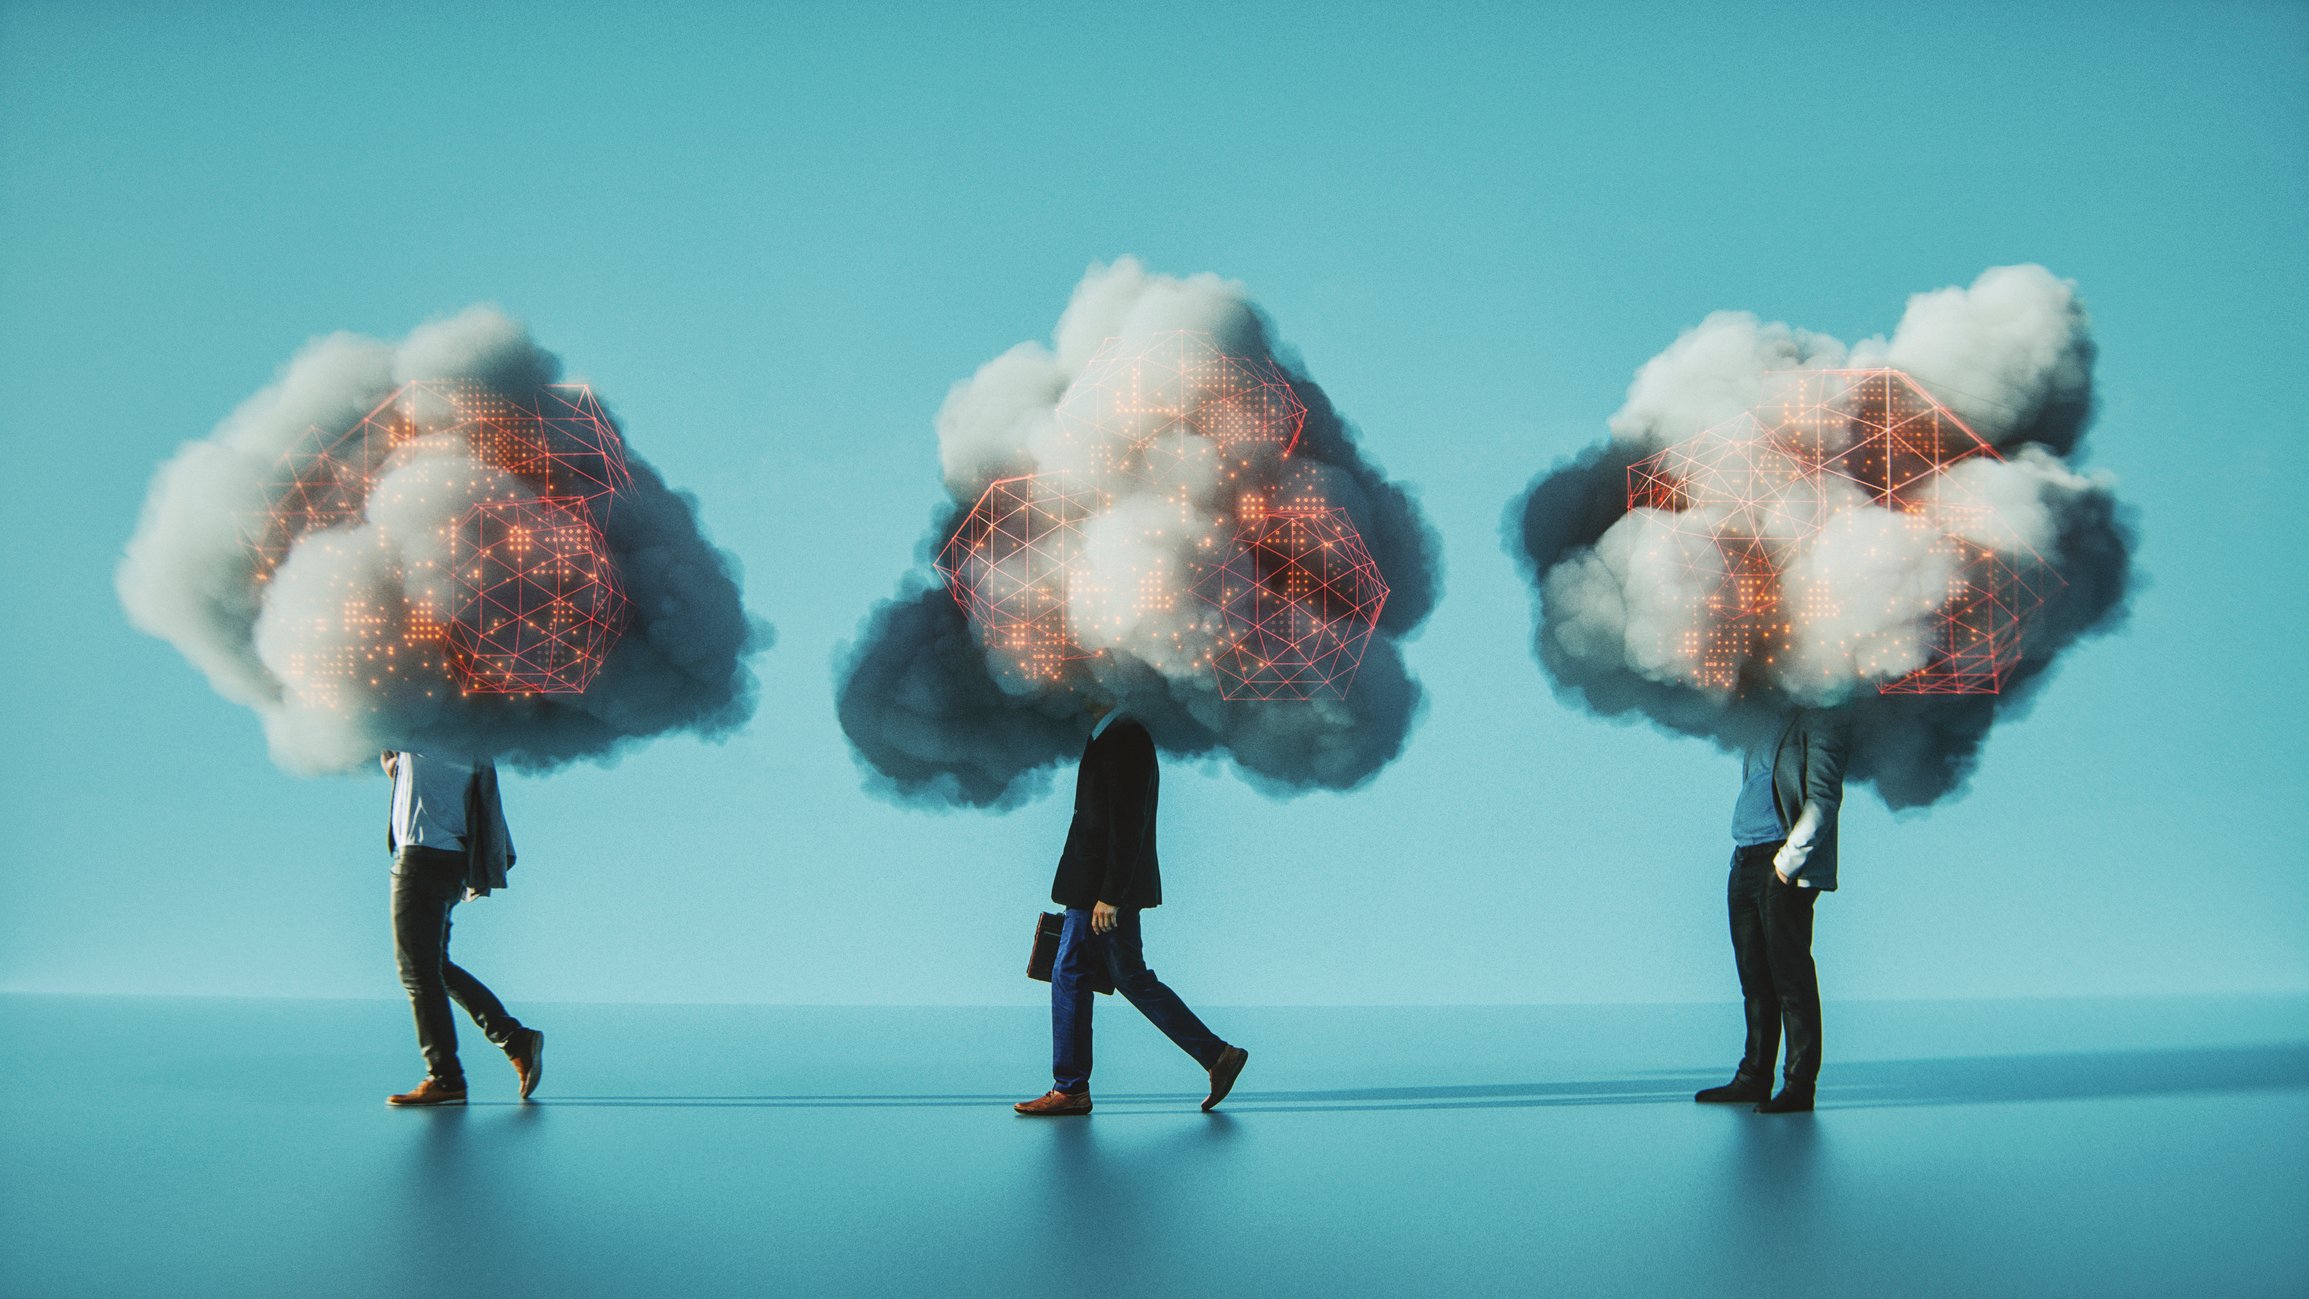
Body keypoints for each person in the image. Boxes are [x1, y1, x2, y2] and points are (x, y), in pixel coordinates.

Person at [1014, 700, 1248, 1116]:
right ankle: (1218, 1056)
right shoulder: (1110, 733)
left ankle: (1070, 1088)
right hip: (1092, 887)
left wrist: (1112, 895)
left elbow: (1128, 823)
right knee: (1127, 976)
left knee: (1070, 972)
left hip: (1099, 892)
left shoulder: (1125, 736)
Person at [1695, 706, 1849, 1114]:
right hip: (1744, 860)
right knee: (1755, 981)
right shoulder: (1760, 722)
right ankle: (1753, 1077)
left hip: (1781, 866)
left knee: (1791, 981)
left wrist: (1785, 864)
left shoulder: (1820, 722)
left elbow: (1824, 799)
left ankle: (1799, 1086)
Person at [380, 748, 544, 1107]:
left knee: (417, 973)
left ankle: (446, 1078)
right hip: (446, 859)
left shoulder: (426, 727)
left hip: (421, 860)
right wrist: (397, 769)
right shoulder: (460, 734)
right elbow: (429, 788)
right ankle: (514, 1039)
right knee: (434, 966)